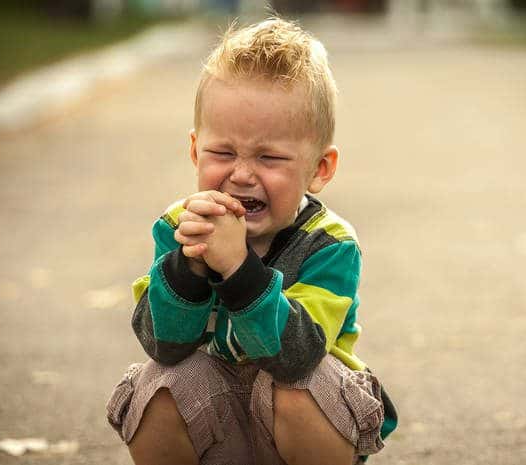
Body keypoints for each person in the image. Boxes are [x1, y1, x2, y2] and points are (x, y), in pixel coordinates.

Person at [106, 17, 397, 465]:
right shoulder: (179, 227)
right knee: (161, 384)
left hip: (300, 424)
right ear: (194, 151)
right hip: (216, 421)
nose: (241, 174)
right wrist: (191, 267)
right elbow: (162, 343)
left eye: (269, 157)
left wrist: (239, 268)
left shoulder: (330, 245)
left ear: (319, 169)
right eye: (222, 153)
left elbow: (297, 356)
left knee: (298, 390)